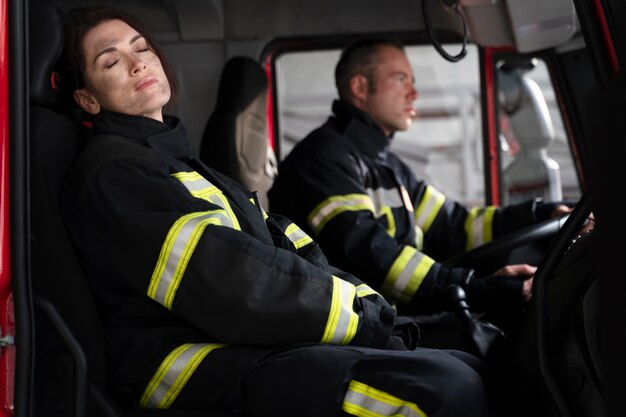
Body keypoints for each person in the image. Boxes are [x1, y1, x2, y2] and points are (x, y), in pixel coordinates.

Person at [59, 7, 508, 417]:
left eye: (142, 49)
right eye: (111, 61)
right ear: (87, 100)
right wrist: (365, 317)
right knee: (447, 390)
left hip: (240, 343)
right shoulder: (115, 174)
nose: (138, 62)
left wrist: (368, 310)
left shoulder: (174, 161)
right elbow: (230, 282)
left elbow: (282, 249)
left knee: (467, 366)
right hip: (196, 368)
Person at [268, 39, 575, 334]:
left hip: (396, 317)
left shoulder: (387, 165)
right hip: (370, 328)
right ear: (360, 87)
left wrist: (539, 214)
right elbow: (373, 258)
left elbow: (455, 226)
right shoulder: (323, 160)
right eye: (401, 79)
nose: (414, 93)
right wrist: (473, 289)